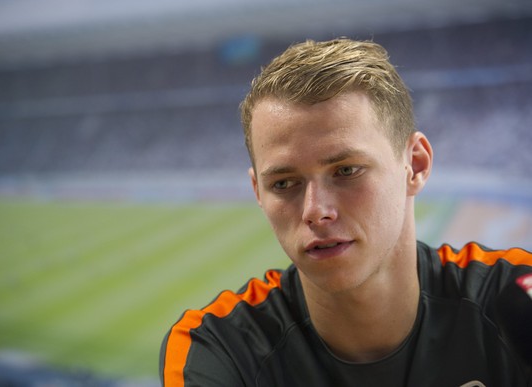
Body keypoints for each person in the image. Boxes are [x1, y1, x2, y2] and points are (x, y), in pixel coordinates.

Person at [159, 38, 532, 386]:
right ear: (258, 191)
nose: (315, 211)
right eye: (284, 184)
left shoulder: (515, 297)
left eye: (346, 171)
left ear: (415, 166)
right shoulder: (215, 347)